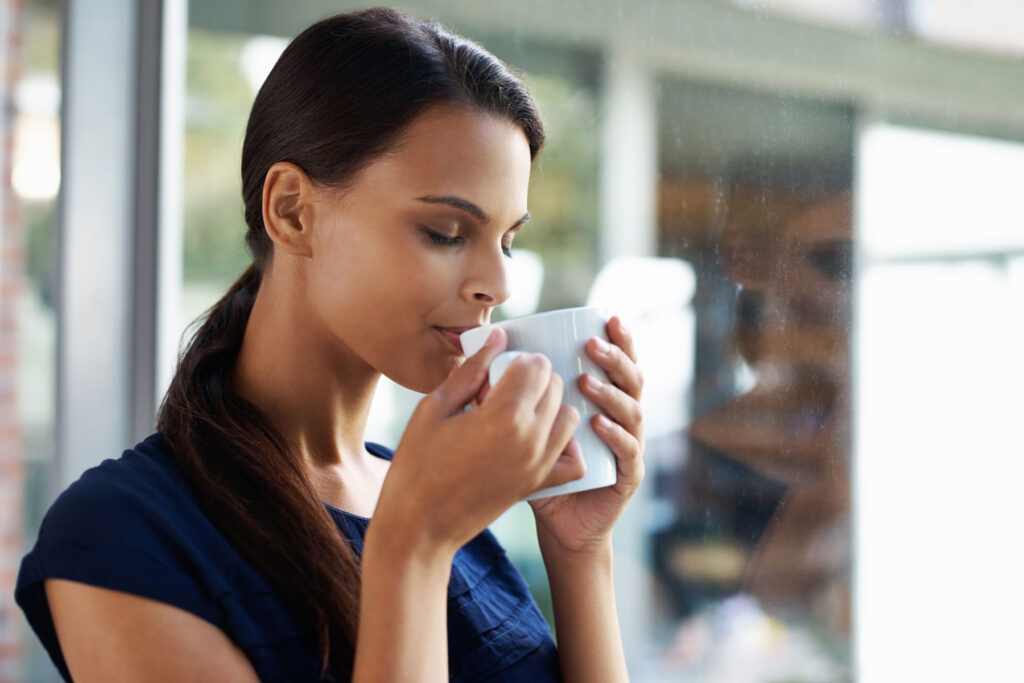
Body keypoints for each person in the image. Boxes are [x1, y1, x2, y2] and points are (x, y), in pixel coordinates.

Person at [15, 7, 645, 682]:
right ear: (291, 210)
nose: (498, 283)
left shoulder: (442, 505)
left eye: (508, 241)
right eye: (445, 231)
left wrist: (581, 550)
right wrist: (413, 548)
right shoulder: (123, 534)